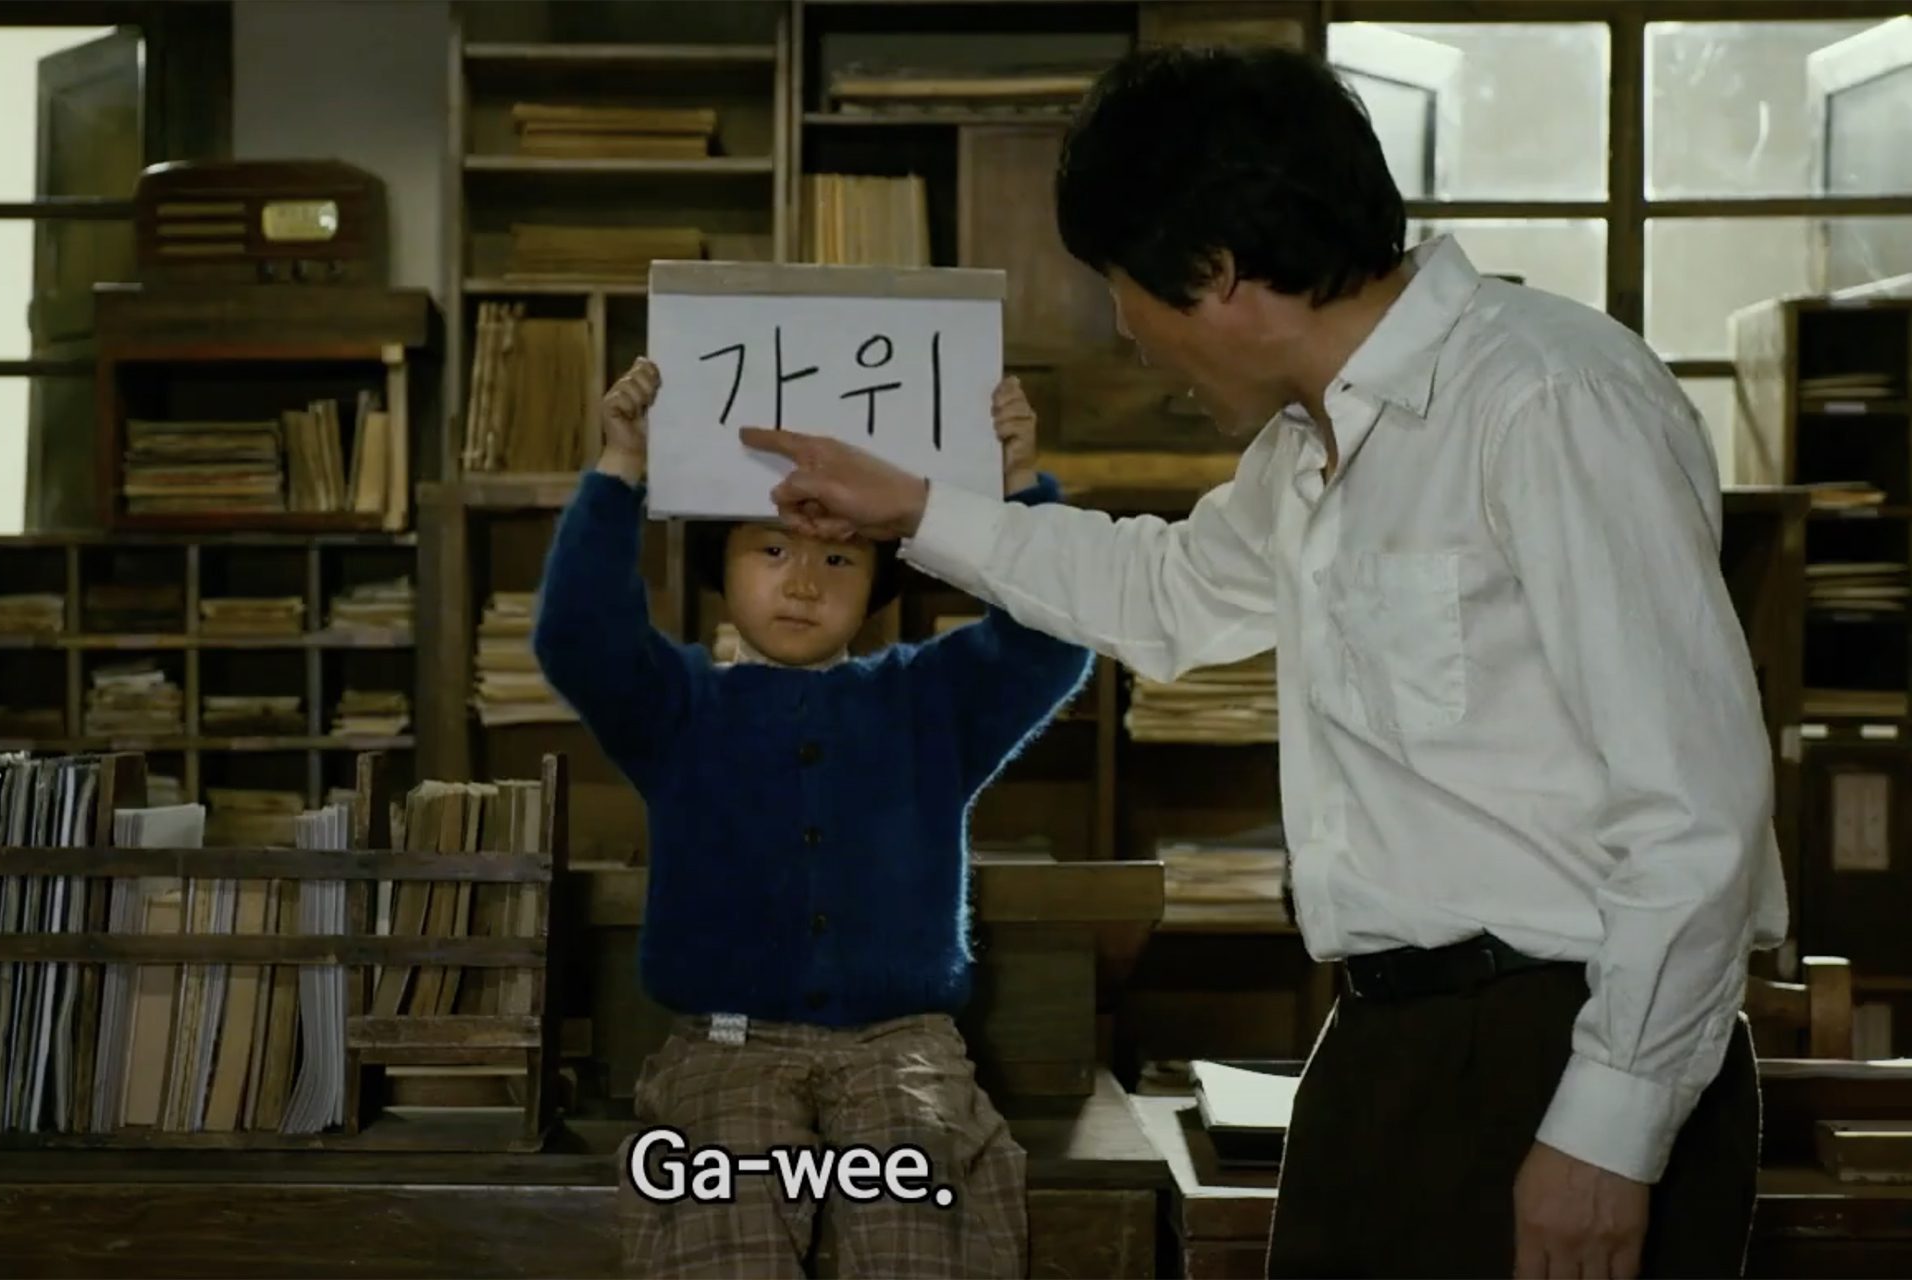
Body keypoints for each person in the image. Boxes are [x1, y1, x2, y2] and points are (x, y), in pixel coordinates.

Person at [739, 43, 1785, 1280]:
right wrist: (912, 506)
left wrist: (1610, 1129)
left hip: (1565, 1049)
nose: (1128, 336)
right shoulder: (1310, 448)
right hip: (1384, 1044)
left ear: (1217, 271)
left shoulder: (1547, 397)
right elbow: (1164, 593)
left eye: (1124, 289)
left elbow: (1698, 803)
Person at [532, 357, 1092, 1278]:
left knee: (920, 1242)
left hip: (901, 1050)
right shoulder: (678, 706)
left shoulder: (928, 702)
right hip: (725, 1049)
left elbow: (1048, 643)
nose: (803, 581)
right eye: (772, 549)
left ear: (876, 586)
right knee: (723, 1244)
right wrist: (620, 470)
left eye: (839, 557)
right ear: (722, 571)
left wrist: (1015, 490)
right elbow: (578, 636)